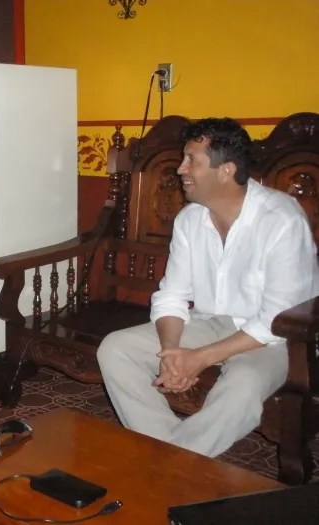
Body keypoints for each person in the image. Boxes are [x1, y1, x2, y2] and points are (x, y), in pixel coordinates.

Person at [97, 117, 319, 457]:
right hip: (211, 324)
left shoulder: (281, 220)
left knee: (243, 385)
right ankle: (171, 453)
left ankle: (169, 463)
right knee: (115, 349)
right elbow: (172, 296)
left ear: (226, 170)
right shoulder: (190, 219)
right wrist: (171, 353)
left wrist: (199, 359)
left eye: (191, 160)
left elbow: (275, 319)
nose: (180, 169)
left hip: (275, 339)